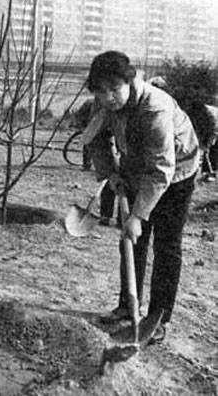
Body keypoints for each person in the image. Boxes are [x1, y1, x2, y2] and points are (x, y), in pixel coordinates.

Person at [85, 51, 200, 343]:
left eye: (114, 89)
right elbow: (95, 141)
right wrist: (110, 175)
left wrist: (138, 215)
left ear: (130, 80)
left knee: (166, 245)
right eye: (101, 90)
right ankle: (128, 307)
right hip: (136, 168)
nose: (109, 97)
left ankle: (158, 318)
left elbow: (162, 168)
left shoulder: (155, 107)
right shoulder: (102, 106)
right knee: (131, 240)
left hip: (176, 174)